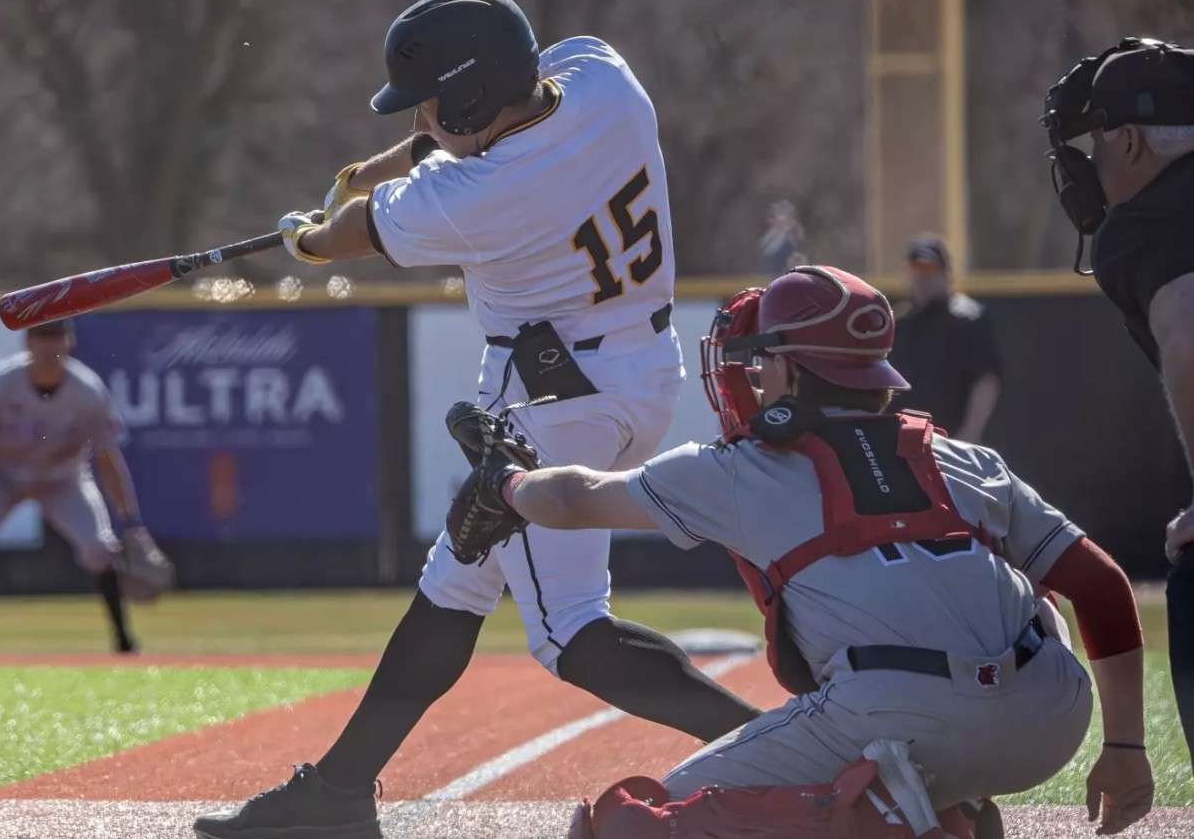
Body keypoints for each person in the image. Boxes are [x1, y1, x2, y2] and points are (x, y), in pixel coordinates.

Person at [195, 0, 759, 839]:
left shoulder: (474, 197)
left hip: (556, 399)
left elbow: (352, 237)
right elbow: (460, 131)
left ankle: (773, 750)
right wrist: (383, 167)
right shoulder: (604, 77)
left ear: (467, 94)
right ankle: (341, 789)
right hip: (636, 367)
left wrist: (307, 235)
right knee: (455, 581)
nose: (420, 114)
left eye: (430, 99)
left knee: (570, 634)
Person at [447, 266, 1154, 839]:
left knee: (628, 822)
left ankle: (901, 819)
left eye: (764, 363)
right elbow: (1102, 584)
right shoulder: (962, 456)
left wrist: (507, 480)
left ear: (791, 368)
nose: (754, 378)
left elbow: (572, 498)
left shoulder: (743, 470)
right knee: (1043, 589)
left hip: (894, 713)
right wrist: (1125, 750)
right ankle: (945, 810)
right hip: (1050, 720)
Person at [1045, 37, 1194, 758]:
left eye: (1096, 145)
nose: (1088, 166)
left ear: (1130, 140)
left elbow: (1190, 337)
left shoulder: (1144, 225)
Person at [0, 319, 171, 656]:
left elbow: (108, 458)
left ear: (69, 342)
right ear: (27, 344)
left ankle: (123, 640)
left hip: (62, 479)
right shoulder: (0, 382)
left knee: (99, 547)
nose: (49, 346)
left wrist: (131, 518)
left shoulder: (87, 391)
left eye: (56, 336)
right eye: (41, 337)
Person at [887, 235, 1002, 442]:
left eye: (930, 270)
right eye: (916, 270)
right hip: (907, 442)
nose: (922, 278)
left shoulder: (969, 318)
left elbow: (986, 381)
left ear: (946, 274)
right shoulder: (901, 322)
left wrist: (969, 435)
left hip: (953, 442)